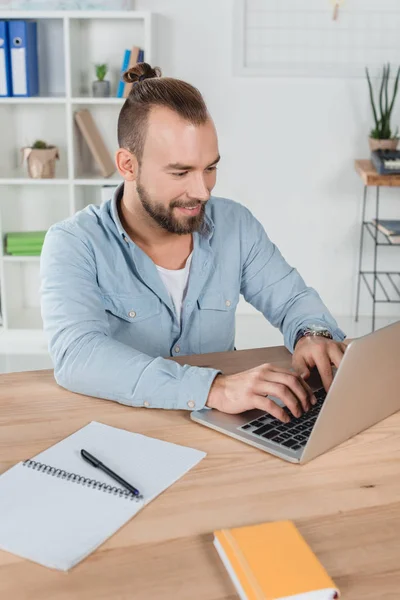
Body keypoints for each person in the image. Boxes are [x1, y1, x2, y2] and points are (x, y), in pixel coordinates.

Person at [40, 63, 346, 423]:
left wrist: (313, 334)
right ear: (128, 165)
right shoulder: (74, 243)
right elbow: (77, 355)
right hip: (125, 428)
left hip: (223, 427)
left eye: (210, 168)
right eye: (180, 172)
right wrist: (213, 388)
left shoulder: (235, 225)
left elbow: (292, 299)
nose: (202, 191)